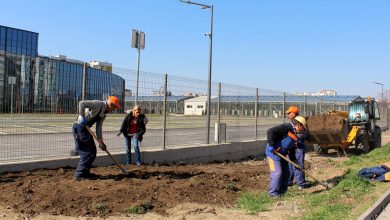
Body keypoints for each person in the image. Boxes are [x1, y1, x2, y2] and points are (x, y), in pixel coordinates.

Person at [72, 96, 121, 181]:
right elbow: (82, 103)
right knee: (87, 152)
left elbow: (98, 128)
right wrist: (82, 117)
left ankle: (85, 173)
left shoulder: (104, 115)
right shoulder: (99, 104)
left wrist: (101, 142)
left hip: (86, 129)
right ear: (110, 104)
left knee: (93, 152)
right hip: (79, 127)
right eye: (115, 107)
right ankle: (79, 175)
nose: (114, 110)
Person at [265, 116, 307, 197]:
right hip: (273, 153)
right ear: (298, 125)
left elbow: (291, 149)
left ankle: (282, 192)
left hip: (282, 153)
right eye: (302, 128)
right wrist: (271, 145)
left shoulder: (294, 133)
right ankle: (273, 193)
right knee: (277, 173)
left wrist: (294, 161)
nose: (303, 130)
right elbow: (270, 131)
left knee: (286, 173)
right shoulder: (286, 127)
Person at [285, 106, 310, 190]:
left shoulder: (300, 121)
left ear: (294, 113)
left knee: (298, 165)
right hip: (291, 146)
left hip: (298, 147)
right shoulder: (291, 123)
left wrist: (298, 139)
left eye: (289, 113)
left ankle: (301, 184)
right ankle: (289, 181)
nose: (287, 115)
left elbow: (307, 133)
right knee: (290, 164)